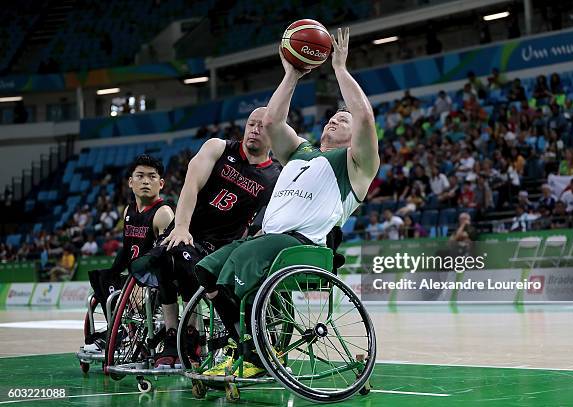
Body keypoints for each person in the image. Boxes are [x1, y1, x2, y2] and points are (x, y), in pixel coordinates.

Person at [193, 27, 379, 378]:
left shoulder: (357, 165)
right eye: (332, 118)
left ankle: (255, 352)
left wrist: (340, 69)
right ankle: (248, 346)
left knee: (241, 267)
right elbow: (271, 121)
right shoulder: (299, 150)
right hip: (268, 242)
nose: (334, 120)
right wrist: (291, 74)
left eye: (343, 120)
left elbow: (366, 118)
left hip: (302, 246)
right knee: (205, 271)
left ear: (356, 138)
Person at [152, 107, 282, 367]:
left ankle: (197, 336)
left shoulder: (276, 176)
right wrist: (181, 226)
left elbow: (265, 223)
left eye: (262, 127)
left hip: (222, 248)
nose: (254, 130)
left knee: (193, 265)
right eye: (251, 124)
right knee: (165, 255)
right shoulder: (218, 148)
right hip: (188, 230)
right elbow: (192, 182)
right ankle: (174, 333)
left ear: (276, 135)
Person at [86, 155, 174, 351]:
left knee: (119, 284)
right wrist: (112, 273)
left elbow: (164, 257)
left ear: (161, 184)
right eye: (140, 176)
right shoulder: (129, 210)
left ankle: (120, 334)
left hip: (155, 282)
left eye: (152, 177)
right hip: (134, 276)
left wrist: (142, 282)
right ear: (130, 182)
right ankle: (119, 331)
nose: (145, 181)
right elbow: (127, 249)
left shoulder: (163, 213)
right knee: (101, 277)